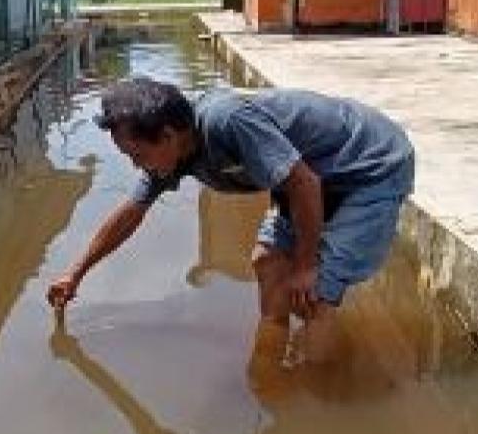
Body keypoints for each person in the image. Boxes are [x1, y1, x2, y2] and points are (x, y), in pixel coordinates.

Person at [46, 77, 415, 366]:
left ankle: (310, 410)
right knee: (267, 263)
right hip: (312, 175)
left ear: (169, 135)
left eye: (137, 155)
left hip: (369, 165)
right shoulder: (172, 152)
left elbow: (304, 182)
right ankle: (271, 365)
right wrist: (76, 274)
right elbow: (131, 213)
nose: (135, 165)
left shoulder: (228, 122)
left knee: (316, 294)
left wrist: (307, 264)